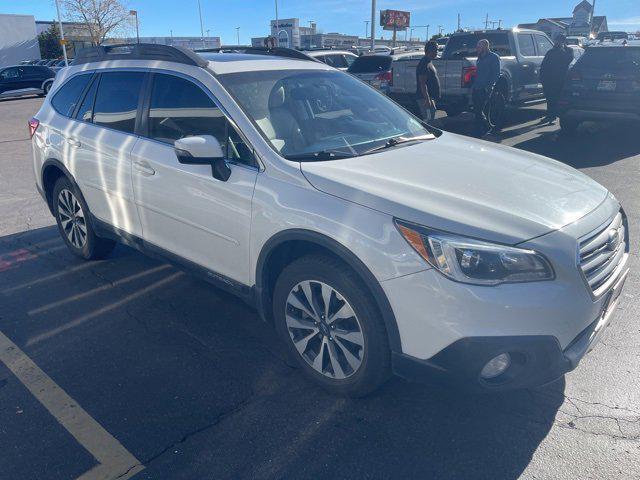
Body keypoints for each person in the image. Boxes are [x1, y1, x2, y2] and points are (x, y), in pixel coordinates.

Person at [540, 34, 574, 124]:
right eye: (556, 40)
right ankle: (550, 115)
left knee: (559, 99)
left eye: (559, 41)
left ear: (563, 41)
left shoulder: (568, 51)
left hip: (561, 79)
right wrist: (542, 78)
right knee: (550, 98)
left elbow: (567, 60)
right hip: (549, 79)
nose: (557, 42)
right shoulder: (551, 52)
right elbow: (544, 65)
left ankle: (558, 116)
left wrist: (561, 49)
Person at [471, 39, 501, 136]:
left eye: (479, 46)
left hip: (485, 88)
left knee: (480, 110)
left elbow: (496, 74)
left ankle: (487, 127)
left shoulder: (494, 58)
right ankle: (480, 129)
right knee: (477, 110)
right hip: (476, 87)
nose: (477, 48)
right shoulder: (479, 58)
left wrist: (489, 87)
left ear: (485, 46)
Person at [415, 41, 440, 123]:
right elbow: (422, 83)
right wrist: (427, 99)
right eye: (436, 50)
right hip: (424, 99)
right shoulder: (424, 63)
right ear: (430, 50)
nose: (437, 52)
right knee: (428, 121)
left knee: (431, 118)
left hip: (430, 97)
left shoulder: (429, 61)